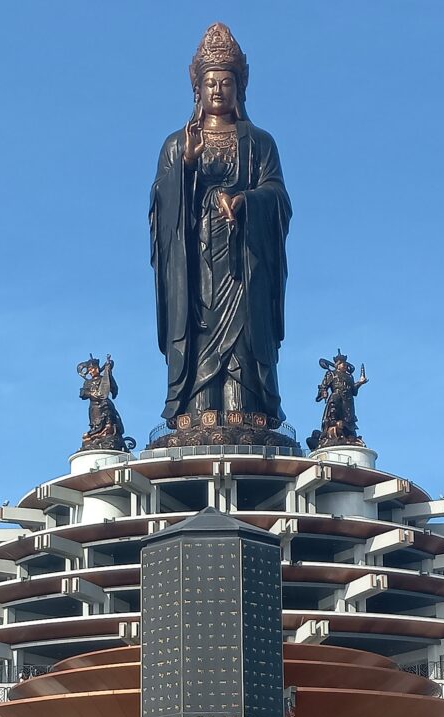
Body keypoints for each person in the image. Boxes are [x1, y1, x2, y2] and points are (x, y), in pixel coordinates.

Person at [150, 23, 291, 427]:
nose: (217, 91)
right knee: (198, 328)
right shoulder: (177, 143)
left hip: (244, 258)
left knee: (245, 334)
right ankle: (197, 408)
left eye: (226, 83)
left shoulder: (260, 142)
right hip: (196, 262)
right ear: (197, 89)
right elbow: (161, 205)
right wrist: (186, 165)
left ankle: (246, 408)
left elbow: (278, 196)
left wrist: (246, 200)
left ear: (239, 88)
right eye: (210, 83)